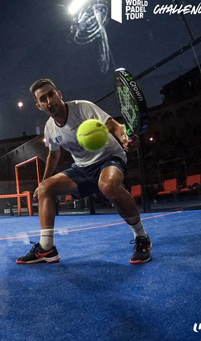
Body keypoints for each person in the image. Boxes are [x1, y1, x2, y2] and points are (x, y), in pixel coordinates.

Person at [16, 79, 151, 265]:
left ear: (59, 94)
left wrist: (125, 138)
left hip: (110, 158)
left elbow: (114, 126)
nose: (49, 101)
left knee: (108, 185)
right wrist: (42, 182)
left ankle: (141, 237)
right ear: (39, 105)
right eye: (43, 99)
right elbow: (53, 156)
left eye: (51, 94)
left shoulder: (83, 108)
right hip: (82, 167)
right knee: (46, 188)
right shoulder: (49, 127)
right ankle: (47, 248)